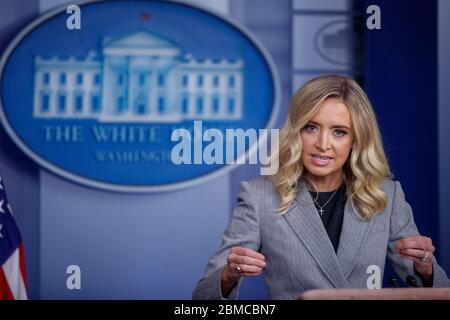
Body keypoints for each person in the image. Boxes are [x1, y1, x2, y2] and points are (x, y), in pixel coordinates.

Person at [192, 75, 450, 300]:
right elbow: (203, 297)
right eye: (311, 127)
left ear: (356, 140)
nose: (323, 143)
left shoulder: (386, 195)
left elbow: (439, 289)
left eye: (339, 132)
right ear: (295, 132)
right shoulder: (259, 196)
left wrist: (425, 268)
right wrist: (228, 275)